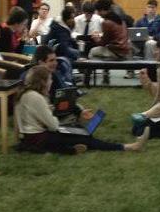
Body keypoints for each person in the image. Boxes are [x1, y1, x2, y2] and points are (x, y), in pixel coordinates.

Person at [15, 65, 149, 155]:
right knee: (85, 137)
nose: (51, 82)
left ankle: (70, 149)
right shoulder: (36, 97)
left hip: (31, 137)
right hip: (39, 138)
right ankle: (128, 147)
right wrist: (50, 112)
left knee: (79, 133)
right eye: (49, 79)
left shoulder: (28, 94)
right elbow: (54, 125)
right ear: (43, 81)